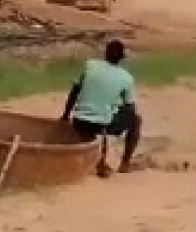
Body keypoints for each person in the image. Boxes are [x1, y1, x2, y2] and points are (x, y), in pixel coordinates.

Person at [60, 39, 142, 174]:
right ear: (122, 58)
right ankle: (125, 163)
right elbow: (130, 109)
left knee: (97, 118)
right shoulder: (127, 78)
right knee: (136, 120)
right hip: (101, 124)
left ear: (105, 53)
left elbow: (74, 91)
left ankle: (99, 158)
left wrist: (65, 115)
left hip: (79, 121)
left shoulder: (90, 65)